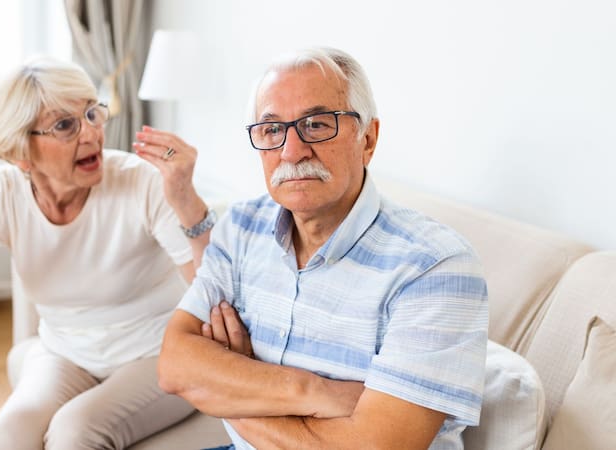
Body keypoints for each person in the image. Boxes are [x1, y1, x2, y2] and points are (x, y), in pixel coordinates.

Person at [0, 56, 216, 450]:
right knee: (6, 436)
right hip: (65, 355)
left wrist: (187, 200)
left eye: (91, 113)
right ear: (20, 151)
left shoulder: (143, 183)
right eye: (66, 125)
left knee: (75, 430)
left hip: (159, 353)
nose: (91, 134)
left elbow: (214, 295)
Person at [157, 47, 489, 450]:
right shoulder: (242, 225)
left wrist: (226, 383)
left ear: (368, 138)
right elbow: (174, 364)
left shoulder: (435, 267)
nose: (292, 151)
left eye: (316, 125)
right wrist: (314, 392)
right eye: (272, 129)